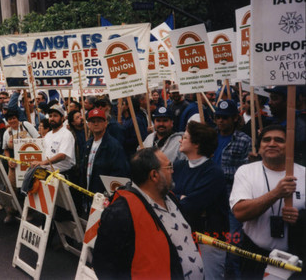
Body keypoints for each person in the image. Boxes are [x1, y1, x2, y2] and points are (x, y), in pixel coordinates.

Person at [93, 148, 204, 279]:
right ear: (154, 175)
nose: (172, 171)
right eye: (169, 167)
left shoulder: (171, 198)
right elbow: (104, 267)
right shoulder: (121, 212)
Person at [230, 125, 305, 279]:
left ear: (290, 147)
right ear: (259, 147)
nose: (272, 143)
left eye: (279, 140)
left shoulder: (304, 174)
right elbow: (240, 212)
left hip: (296, 257)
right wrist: (276, 193)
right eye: (266, 140)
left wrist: (301, 218)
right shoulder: (246, 172)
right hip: (255, 256)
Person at [174, 121, 228, 279]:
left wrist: (179, 199)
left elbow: (191, 206)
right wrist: (180, 198)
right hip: (183, 236)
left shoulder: (214, 173)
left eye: (184, 137)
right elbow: (166, 196)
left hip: (209, 241)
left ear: (196, 144)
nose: (180, 140)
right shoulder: (178, 166)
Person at [211, 100, 252, 278]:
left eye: (225, 118)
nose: (221, 121)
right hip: (212, 199)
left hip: (232, 199)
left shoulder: (244, 141)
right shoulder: (209, 137)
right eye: (218, 117)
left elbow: (245, 172)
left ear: (235, 118)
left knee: (234, 244)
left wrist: (217, 173)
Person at [81, 108, 129, 209]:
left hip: (105, 200)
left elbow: (119, 174)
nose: (96, 124)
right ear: (88, 125)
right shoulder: (87, 145)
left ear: (106, 123)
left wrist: (109, 196)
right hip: (89, 196)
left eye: (99, 121)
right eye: (92, 121)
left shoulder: (114, 146)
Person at [2, 109, 39, 223]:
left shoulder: (26, 126)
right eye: (9, 119)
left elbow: (38, 140)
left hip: (29, 162)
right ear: (7, 121)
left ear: (18, 118)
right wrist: (9, 160)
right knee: (11, 187)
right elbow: (5, 149)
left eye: (14, 118)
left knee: (28, 187)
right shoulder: (7, 133)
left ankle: (29, 212)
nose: (12, 121)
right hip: (15, 165)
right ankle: (11, 212)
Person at [31, 104, 75, 177]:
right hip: (47, 174)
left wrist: (43, 162)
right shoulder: (48, 135)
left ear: (62, 118)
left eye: (55, 116)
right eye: (50, 116)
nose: (52, 118)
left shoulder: (66, 134)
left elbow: (62, 155)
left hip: (62, 175)